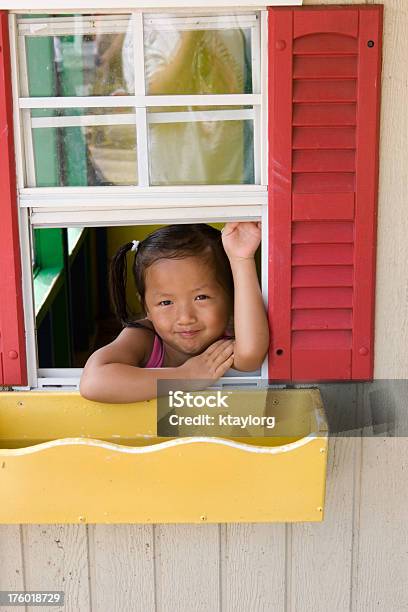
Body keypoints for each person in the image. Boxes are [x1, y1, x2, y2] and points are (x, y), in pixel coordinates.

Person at [80, 222, 269, 403]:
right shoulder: (145, 336)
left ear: (231, 298)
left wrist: (241, 260)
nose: (185, 318)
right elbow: (93, 382)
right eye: (166, 302)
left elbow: (251, 356)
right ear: (147, 308)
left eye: (201, 297)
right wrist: (186, 377)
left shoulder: (225, 340)